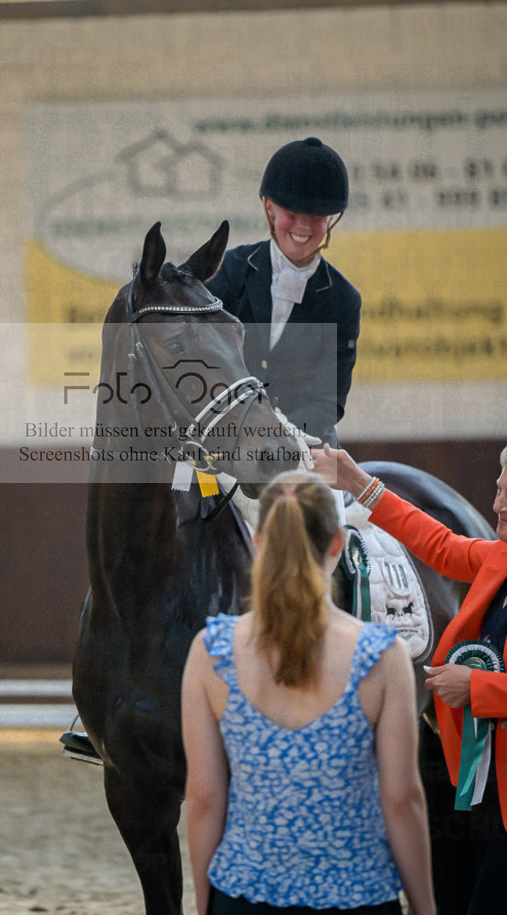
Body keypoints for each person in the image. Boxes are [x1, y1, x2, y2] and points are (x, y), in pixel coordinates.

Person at [181, 471, 436, 915]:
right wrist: (425, 906)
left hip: (244, 896)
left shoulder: (211, 652)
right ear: (337, 544)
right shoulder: (383, 655)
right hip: (357, 897)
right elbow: (401, 800)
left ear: (258, 541)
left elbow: (203, 799)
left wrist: (206, 905)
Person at [311, 443, 507, 915]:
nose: (497, 503)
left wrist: (476, 687)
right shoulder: (499, 559)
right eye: (499, 490)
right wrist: (358, 483)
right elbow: (436, 543)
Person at [206, 136, 360, 445]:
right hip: (228, 434)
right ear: (271, 209)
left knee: (328, 479)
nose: (303, 227)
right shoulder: (230, 270)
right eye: (292, 213)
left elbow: (328, 399)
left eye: (316, 217)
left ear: (330, 220)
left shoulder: (343, 299)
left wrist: (275, 435)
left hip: (302, 438)